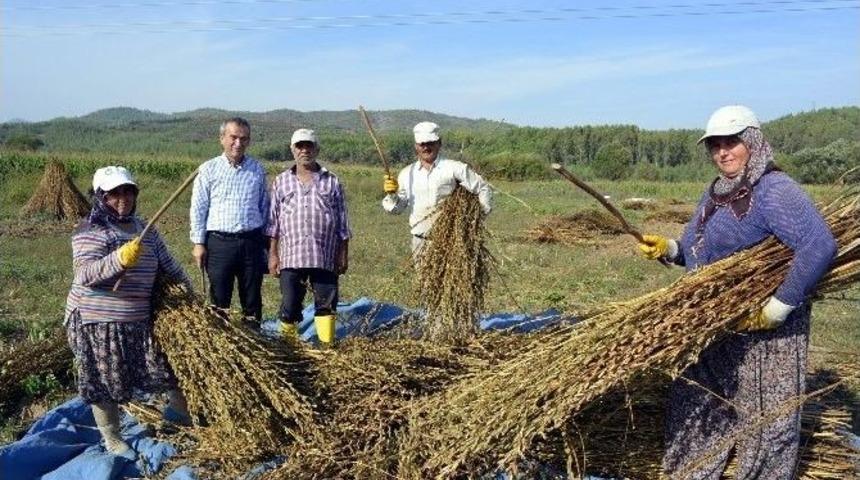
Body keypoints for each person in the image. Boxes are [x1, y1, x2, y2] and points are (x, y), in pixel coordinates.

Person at [637, 105, 837, 479]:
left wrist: (778, 308)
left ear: (753, 142)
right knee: (699, 403)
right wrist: (669, 249)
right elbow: (700, 251)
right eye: (715, 145)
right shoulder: (715, 192)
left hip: (766, 331)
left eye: (732, 142)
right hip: (714, 322)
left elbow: (818, 245)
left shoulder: (774, 190)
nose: (723, 152)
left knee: (767, 417)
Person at [65, 166, 193, 456]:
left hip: (137, 318)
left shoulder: (144, 229)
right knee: (104, 380)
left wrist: (188, 290)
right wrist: (119, 259)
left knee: (165, 368)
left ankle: (178, 413)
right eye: (113, 193)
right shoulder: (90, 230)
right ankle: (112, 438)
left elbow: (169, 265)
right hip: (97, 322)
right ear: (100, 197)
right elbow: (84, 274)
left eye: (128, 191)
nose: (122, 198)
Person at [266, 129, 351, 346]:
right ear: (292, 149)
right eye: (300, 146)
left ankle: (326, 347)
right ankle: (288, 349)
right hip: (292, 257)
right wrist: (273, 255)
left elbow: (342, 222)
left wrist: (343, 253)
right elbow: (273, 223)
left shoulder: (331, 181)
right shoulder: (281, 181)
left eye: (309, 146)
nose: (304, 150)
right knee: (290, 305)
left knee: (326, 304)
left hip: (324, 255)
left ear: (316, 149)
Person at [190, 117, 269, 327]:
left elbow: (264, 207)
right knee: (219, 300)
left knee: (252, 300)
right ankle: (221, 347)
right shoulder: (208, 169)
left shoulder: (257, 169)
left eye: (244, 139)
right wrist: (199, 243)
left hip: (251, 241)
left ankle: (254, 342)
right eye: (233, 137)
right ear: (222, 139)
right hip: (219, 243)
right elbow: (199, 208)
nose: (238, 143)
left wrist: (266, 243)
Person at [381, 121, 492, 254]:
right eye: (422, 144)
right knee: (423, 276)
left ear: (439, 143)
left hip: (453, 242)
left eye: (430, 143)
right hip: (421, 242)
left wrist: (478, 218)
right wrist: (391, 195)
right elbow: (397, 209)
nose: (426, 148)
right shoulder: (406, 174)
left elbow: (483, 188)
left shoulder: (455, 168)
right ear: (416, 146)